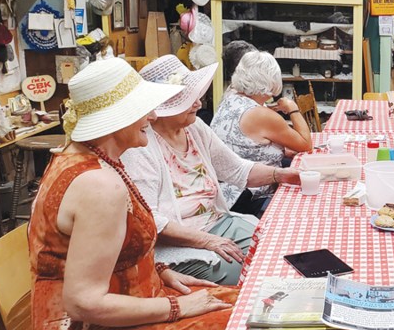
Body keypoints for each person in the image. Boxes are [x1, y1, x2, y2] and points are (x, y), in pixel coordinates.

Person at [28, 57, 237, 330]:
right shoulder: (98, 185)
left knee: (245, 306)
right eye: (143, 109)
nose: (151, 117)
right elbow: (84, 302)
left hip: (122, 306)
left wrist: (161, 274)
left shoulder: (89, 162)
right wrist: (176, 309)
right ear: (114, 119)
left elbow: (109, 255)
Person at [123, 55, 299, 285]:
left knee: (283, 247)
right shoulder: (141, 147)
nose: (198, 103)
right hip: (180, 242)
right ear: (163, 107)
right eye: (187, 99)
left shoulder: (194, 127)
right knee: (249, 273)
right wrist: (208, 241)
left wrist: (280, 175)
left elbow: (236, 170)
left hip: (218, 221)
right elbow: (149, 219)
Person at [212, 51, 312, 214]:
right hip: (249, 196)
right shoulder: (261, 115)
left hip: (224, 192)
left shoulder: (230, 97)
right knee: (307, 195)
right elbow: (306, 144)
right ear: (271, 81)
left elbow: (247, 144)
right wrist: (293, 109)